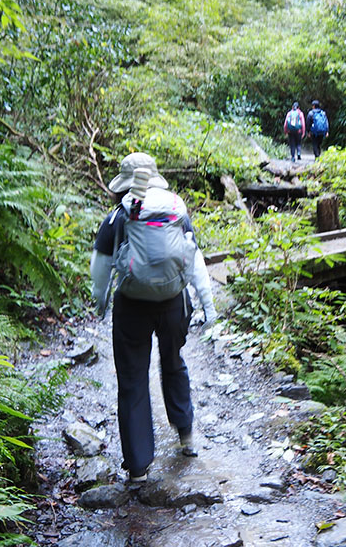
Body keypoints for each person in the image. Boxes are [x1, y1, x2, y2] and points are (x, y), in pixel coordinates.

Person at [90, 152, 218, 482]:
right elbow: (194, 259)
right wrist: (208, 304)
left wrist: (100, 302)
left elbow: (101, 265)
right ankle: (186, 435)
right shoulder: (176, 210)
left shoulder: (118, 216)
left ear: (123, 183)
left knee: (133, 379)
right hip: (173, 301)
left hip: (132, 305)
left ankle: (138, 467)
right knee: (173, 361)